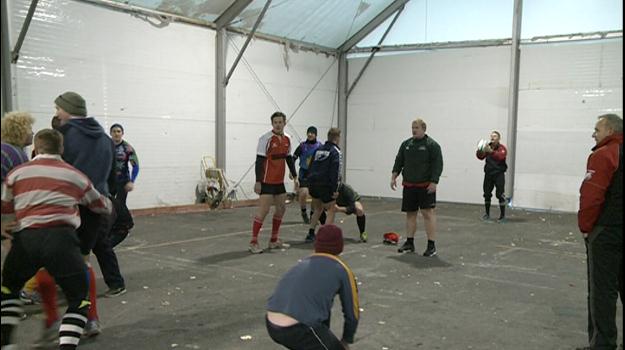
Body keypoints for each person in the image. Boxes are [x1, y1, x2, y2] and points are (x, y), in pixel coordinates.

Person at [0, 128, 113, 350]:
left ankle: (6, 343)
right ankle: (67, 345)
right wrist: (110, 205)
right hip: (61, 241)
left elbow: (5, 206)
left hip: (26, 240)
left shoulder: (16, 174)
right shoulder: (74, 175)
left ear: (35, 148)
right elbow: (99, 205)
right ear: (61, 148)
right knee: (79, 299)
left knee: (8, 291)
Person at [266, 224, 359, 349]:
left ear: (316, 245)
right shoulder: (342, 269)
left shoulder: (303, 263)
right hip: (299, 328)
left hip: (271, 323)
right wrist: (346, 340)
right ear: (340, 247)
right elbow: (352, 313)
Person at [577, 114, 622, 350]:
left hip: (606, 233)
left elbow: (592, 195)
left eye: (597, 129)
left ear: (611, 130)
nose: (593, 134)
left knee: (602, 291)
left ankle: (603, 344)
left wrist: (586, 228)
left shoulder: (604, 154)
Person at [0, 112, 38, 303]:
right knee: (9, 257)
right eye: (30, 129)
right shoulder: (9, 152)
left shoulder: (14, 152)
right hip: (6, 215)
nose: (32, 133)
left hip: (11, 212)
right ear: (20, 130)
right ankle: (8, 300)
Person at [391, 118, 443, 257]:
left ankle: (431, 246)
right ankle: (409, 243)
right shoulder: (406, 144)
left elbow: (438, 164)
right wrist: (394, 176)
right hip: (409, 185)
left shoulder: (432, 145)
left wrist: (434, 181)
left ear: (424, 129)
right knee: (410, 214)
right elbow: (399, 160)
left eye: (417, 127)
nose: (414, 130)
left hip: (425, 186)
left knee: (428, 214)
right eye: (412, 127)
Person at [250, 111, 298, 254]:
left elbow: (289, 158)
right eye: (275, 122)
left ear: (284, 123)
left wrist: (295, 177)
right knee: (263, 211)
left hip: (279, 182)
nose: (278, 125)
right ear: (272, 124)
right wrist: (258, 181)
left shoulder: (288, 139)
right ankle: (253, 242)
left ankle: (273, 240)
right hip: (266, 181)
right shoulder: (265, 139)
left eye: (280, 122)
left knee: (281, 209)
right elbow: (259, 161)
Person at [305, 128, 342, 243]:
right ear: (337, 138)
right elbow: (336, 171)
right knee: (331, 209)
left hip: (313, 183)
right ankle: (325, 237)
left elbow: (310, 166)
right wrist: (335, 189)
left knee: (318, 208)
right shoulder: (336, 152)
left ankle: (311, 233)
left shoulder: (318, 149)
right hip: (325, 184)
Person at [476, 131, 508, 222]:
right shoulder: (487, 146)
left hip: (499, 174)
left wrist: (491, 152)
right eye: (491, 136)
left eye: (495, 136)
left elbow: (501, 157)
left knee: (500, 194)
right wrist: (480, 150)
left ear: (499, 138)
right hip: (488, 174)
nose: (492, 138)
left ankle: (502, 216)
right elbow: (480, 157)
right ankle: (487, 214)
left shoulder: (502, 148)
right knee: (487, 194)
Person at [293, 126, 322, 224]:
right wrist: (292, 171)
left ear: (315, 135)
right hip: (304, 173)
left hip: (315, 173)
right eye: (308, 132)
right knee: (304, 193)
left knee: (315, 196)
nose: (310, 134)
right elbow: (293, 158)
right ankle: (303, 211)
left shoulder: (319, 146)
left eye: (312, 133)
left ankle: (312, 215)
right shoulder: (302, 146)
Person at [109, 123, 139, 205]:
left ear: (122, 133)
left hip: (123, 181)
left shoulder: (128, 148)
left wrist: (132, 181)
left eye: (118, 131)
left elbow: (135, 166)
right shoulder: (105, 146)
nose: (116, 133)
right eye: (114, 131)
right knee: (108, 204)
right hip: (108, 181)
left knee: (121, 205)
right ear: (110, 133)